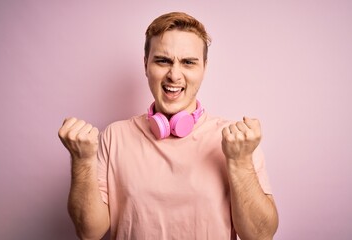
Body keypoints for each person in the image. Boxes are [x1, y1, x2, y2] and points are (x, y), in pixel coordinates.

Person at [58, 12, 279, 240]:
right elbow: (89, 232)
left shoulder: (237, 142)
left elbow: (261, 236)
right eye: (163, 61)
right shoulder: (115, 136)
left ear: (204, 68)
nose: (174, 75)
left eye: (188, 63)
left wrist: (240, 162)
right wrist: (82, 161)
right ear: (146, 65)